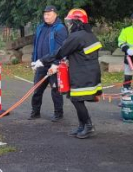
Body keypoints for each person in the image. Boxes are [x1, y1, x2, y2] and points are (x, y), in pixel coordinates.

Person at [34, 8, 103, 139]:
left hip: (82, 74)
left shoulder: (77, 36)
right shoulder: (89, 35)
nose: (69, 25)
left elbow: (60, 52)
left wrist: (42, 61)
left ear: (77, 22)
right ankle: (82, 126)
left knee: (77, 100)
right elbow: (76, 53)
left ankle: (88, 126)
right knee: (75, 99)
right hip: (88, 72)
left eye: (71, 22)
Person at [29, 5, 68, 122]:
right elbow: (36, 45)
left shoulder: (60, 28)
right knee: (37, 89)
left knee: (55, 90)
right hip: (41, 63)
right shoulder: (40, 27)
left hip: (54, 65)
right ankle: (35, 112)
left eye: (49, 14)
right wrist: (34, 60)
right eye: (45, 14)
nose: (46, 16)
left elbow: (62, 48)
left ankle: (58, 114)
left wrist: (56, 64)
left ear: (55, 14)